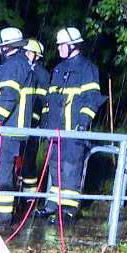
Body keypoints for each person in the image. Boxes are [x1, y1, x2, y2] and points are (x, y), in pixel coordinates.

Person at [40, 27, 104, 223]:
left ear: (73, 46)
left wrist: (83, 123)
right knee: (55, 167)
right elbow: (50, 99)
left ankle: (68, 210)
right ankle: (52, 205)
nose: (58, 48)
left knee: (70, 169)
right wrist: (45, 122)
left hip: (74, 130)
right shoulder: (59, 69)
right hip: (55, 131)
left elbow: (92, 98)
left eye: (62, 45)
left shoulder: (87, 69)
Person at [0, 27, 37, 231]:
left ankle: (1, 218)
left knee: (2, 173)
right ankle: (1, 214)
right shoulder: (20, 64)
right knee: (3, 172)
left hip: (8, 129)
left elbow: (8, 97)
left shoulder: (13, 66)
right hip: (12, 129)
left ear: (6, 46)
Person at [19, 38, 50, 193]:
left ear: (36, 55)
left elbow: (41, 101)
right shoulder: (22, 70)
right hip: (19, 124)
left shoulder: (41, 75)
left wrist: (35, 121)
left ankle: (29, 198)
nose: (25, 55)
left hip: (32, 126)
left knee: (29, 162)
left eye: (28, 52)